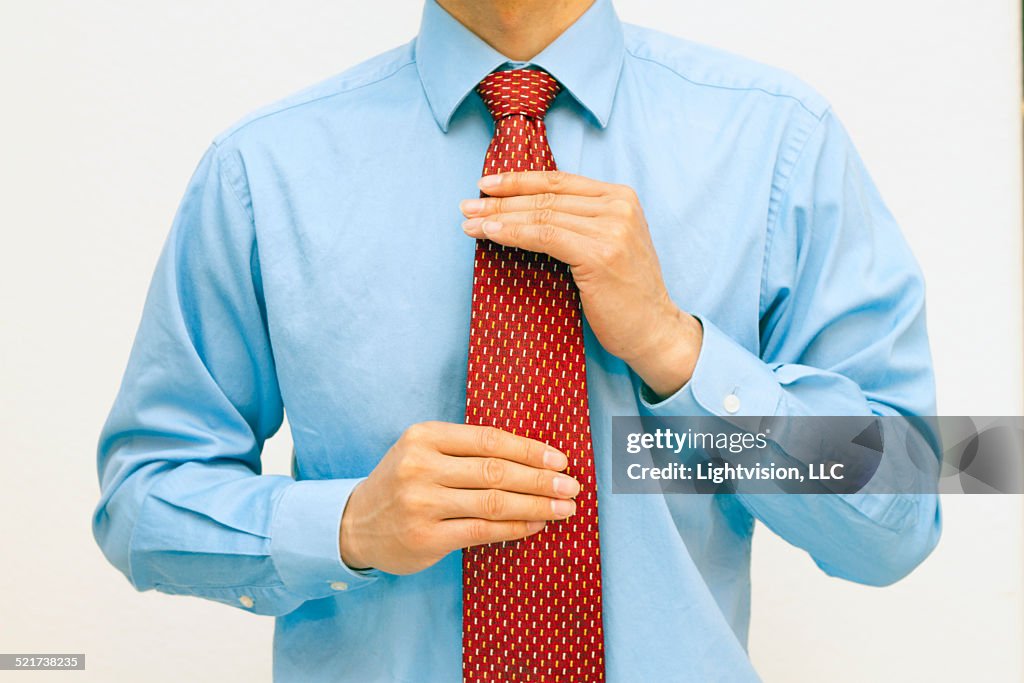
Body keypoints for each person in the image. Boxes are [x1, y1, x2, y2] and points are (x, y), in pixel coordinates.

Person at [93, 0, 942, 680]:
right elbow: (139, 498)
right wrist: (348, 525)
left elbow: (906, 506)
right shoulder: (260, 169)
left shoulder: (779, 143)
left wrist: (676, 347)